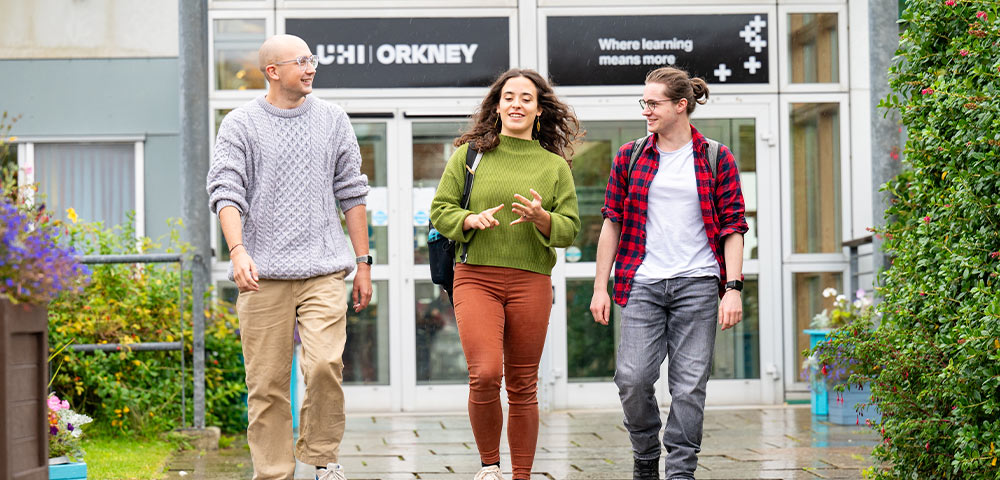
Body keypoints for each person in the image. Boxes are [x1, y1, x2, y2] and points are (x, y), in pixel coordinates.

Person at [206, 34, 372, 480]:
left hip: (323, 269)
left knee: (323, 366)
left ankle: (321, 457)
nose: (311, 66)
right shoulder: (239, 124)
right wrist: (237, 251)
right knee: (266, 385)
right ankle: (274, 473)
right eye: (300, 61)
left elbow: (352, 192)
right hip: (262, 275)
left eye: (312, 58)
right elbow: (226, 191)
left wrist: (364, 261)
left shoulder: (333, 119)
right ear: (272, 71)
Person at [589, 66, 748, 480]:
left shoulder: (716, 156)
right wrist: (599, 287)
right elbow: (612, 222)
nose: (646, 111)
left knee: (689, 386)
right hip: (642, 282)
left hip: (697, 284)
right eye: (644, 103)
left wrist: (732, 287)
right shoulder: (630, 156)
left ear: (681, 106)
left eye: (653, 103)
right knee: (632, 378)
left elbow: (733, 226)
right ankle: (645, 455)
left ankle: (680, 472)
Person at [430, 68, 582, 480]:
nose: (516, 104)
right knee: (485, 374)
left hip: (530, 280)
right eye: (509, 97)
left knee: (522, 383)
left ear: (538, 110)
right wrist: (469, 219)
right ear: (497, 106)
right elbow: (440, 210)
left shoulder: (554, 167)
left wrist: (542, 218)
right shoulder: (470, 156)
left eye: (526, 98)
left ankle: (522, 475)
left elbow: (570, 228)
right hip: (475, 276)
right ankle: (489, 467)